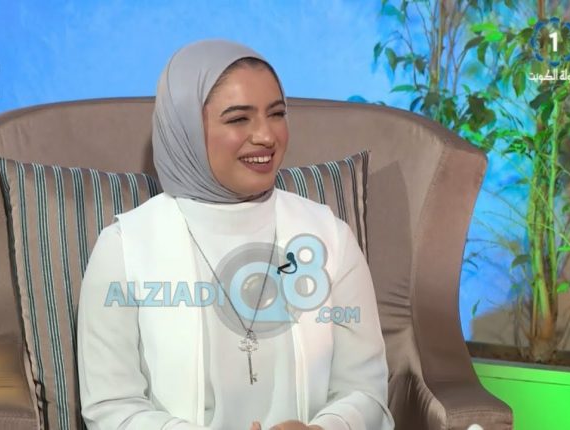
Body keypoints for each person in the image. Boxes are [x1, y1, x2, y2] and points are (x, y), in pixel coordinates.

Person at [77, 39, 395, 430]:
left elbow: (365, 389)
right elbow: (112, 408)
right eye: (239, 119)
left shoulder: (329, 236)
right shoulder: (124, 248)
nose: (266, 136)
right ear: (186, 130)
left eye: (276, 114)